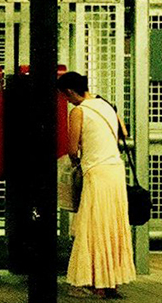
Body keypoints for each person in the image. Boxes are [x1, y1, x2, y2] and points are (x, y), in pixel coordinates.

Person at [57, 72, 135, 299]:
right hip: (116, 173)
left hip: (96, 173)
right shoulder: (106, 104)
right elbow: (124, 133)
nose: (66, 101)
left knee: (92, 228)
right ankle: (111, 283)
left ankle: (92, 282)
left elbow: (72, 150)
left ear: (70, 92)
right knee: (112, 228)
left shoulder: (79, 111)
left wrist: (76, 158)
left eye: (65, 96)